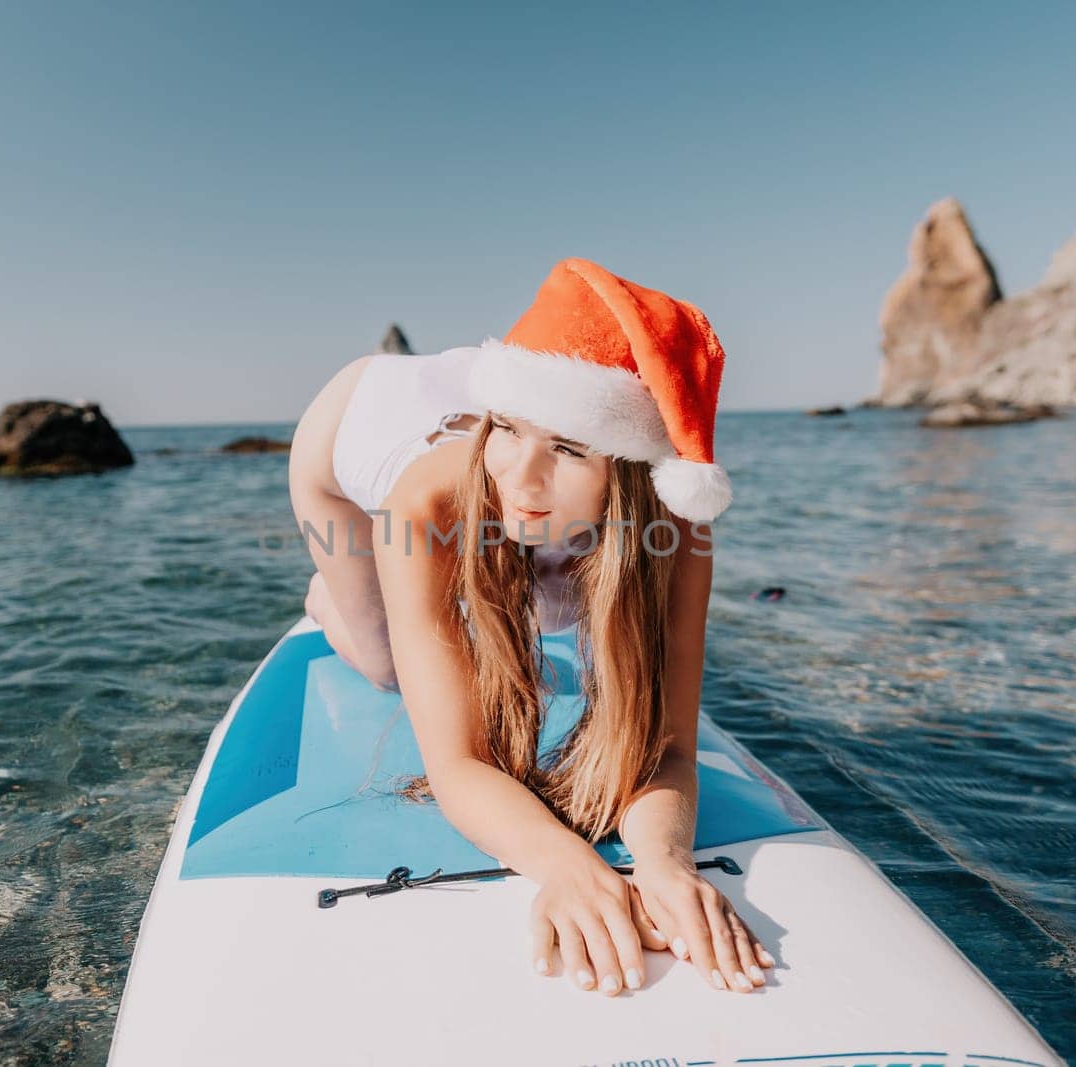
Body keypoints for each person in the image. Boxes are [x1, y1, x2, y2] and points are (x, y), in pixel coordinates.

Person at [287, 257, 773, 998]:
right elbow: (457, 765)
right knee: (386, 666)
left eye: (571, 450)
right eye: (509, 431)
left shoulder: (677, 527)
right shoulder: (427, 504)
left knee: (562, 593)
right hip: (349, 429)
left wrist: (665, 862)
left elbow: (670, 745)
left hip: (529, 455)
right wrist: (563, 861)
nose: (522, 476)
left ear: (632, 474)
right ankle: (329, 597)